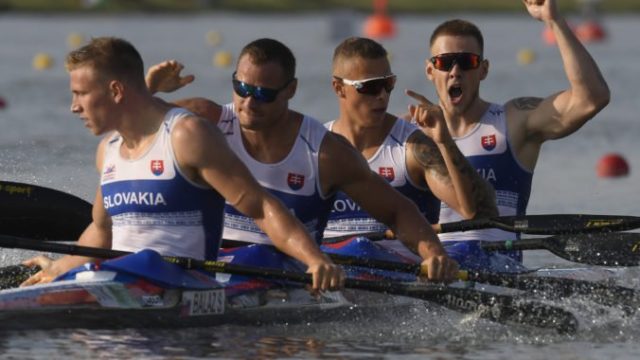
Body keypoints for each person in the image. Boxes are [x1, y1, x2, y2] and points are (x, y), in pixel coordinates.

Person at [21, 37, 344, 292]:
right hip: (110, 282)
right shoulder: (108, 150)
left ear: (116, 90)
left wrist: (315, 261)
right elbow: (101, 230)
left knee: (145, 261)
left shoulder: (187, 135)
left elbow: (259, 206)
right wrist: (62, 268)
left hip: (182, 285)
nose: (73, 107)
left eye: (80, 94)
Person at [145, 38, 459, 282]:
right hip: (209, 266)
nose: (248, 103)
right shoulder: (205, 120)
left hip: (282, 275)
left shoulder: (324, 152)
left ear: (291, 90)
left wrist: (433, 255)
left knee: (257, 258)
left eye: (263, 94)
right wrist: (149, 91)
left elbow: (397, 210)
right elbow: (133, 133)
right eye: (241, 88)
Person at [418, 0, 610, 262]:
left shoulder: (513, 121)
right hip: (436, 269)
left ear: (483, 69)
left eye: (467, 61)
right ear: (430, 70)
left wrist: (553, 20)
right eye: (445, 62)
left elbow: (592, 98)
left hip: (498, 268)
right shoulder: (409, 131)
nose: (455, 72)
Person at [326, 37, 497, 264]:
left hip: (404, 274)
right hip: (329, 271)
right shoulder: (318, 147)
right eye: (370, 87)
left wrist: (444, 141)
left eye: (388, 84)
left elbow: (477, 213)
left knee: (361, 249)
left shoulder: (413, 147)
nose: (382, 96)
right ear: (339, 88)